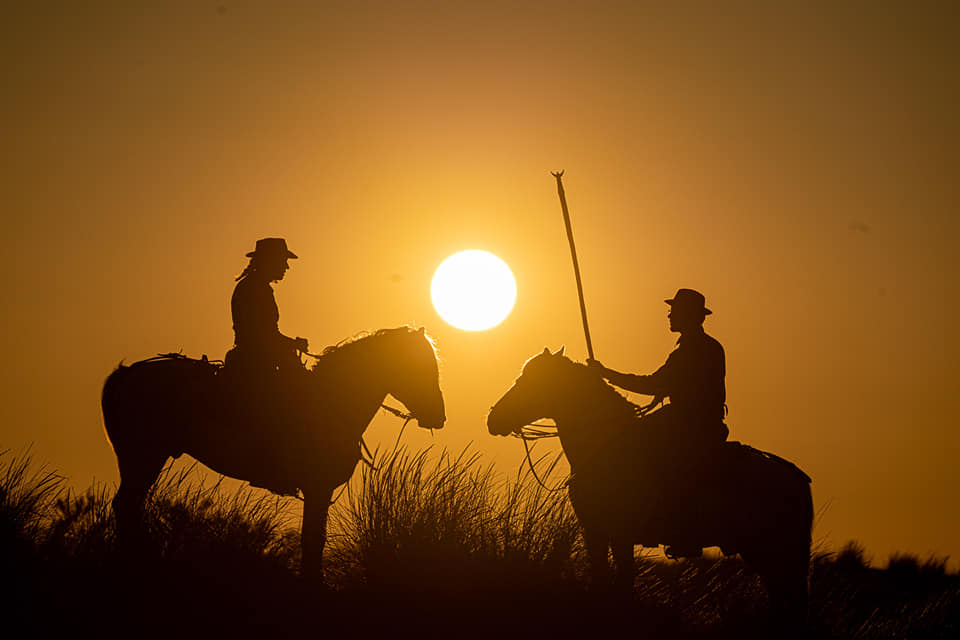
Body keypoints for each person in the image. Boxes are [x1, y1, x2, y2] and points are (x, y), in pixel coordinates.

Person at [587, 288, 727, 557]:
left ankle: (675, 525)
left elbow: (654, 383)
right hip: (692, 421)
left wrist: (605, 374)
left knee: (639, 449)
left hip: (691, 425)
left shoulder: (692, 349)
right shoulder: (699, 347)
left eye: (674, 311)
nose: (669, 315)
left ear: (687, 315)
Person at [225, 237, 309, 375]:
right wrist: (293, 344)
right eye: (283, 261)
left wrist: (291, 344)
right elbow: (264, 336)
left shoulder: (252, 286)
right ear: (271, 261)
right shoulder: (256, 289)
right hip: (255, 366)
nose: (286, 267)